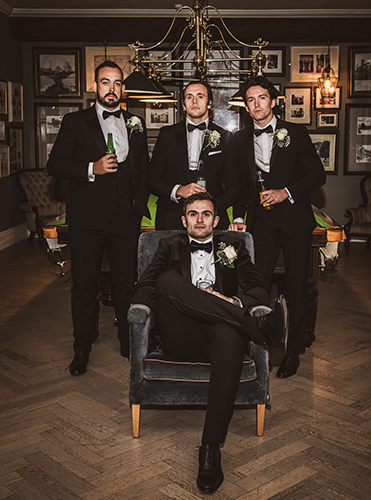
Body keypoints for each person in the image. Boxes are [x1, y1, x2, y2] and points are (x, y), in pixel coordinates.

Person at [132, 192, 287, 494]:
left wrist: (229, 301)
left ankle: (210, 449)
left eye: (206, 214)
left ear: (216, 220)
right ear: (184, 220)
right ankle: (259, 328)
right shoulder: (168, 245)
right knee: (166, 281)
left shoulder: (234, 246)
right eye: (193, 214)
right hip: (181, 335)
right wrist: (185, 299)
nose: (200, 219)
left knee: (229, 338)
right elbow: (143, 289)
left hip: (222, 330)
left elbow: (258, 290)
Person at [47, 60, 150, 376]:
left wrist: (138, 204)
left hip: (125, 219)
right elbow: (55, 164)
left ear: (123, 88)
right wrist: (92, 168)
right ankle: (81, 348)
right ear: (95, 86)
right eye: (106, 82)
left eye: (117, 83)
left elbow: (142, 169)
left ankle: (128, 342)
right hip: (87, 220)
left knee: (126, 284)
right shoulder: (75, 122)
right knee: (84, 287)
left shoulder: (135, 122)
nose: (112, 88)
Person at [229, 75, 326, 379]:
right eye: (250, 100)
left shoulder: (295, 133)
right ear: (246, 106)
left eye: (261, 98)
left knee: (297, 287)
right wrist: (239, 217)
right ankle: (256, 346)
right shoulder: (239, 139)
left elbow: (317, 175)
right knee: (256, 286)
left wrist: (286, 192)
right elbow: (239, 186)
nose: (256, 104)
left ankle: (293, 351)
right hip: (262, 222)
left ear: (273, 101)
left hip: (295, 219)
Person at [146, 81, 242, 230]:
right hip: (171, 218)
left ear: (209, 103)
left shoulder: (226, 138)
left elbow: (235, 187)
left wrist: (211, 206)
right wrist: (178, 190)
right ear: (184, 105)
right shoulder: (167, 135)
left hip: (212, 221)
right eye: (189, 97)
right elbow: (152, 180)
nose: (195, 101)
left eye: (200, 96)